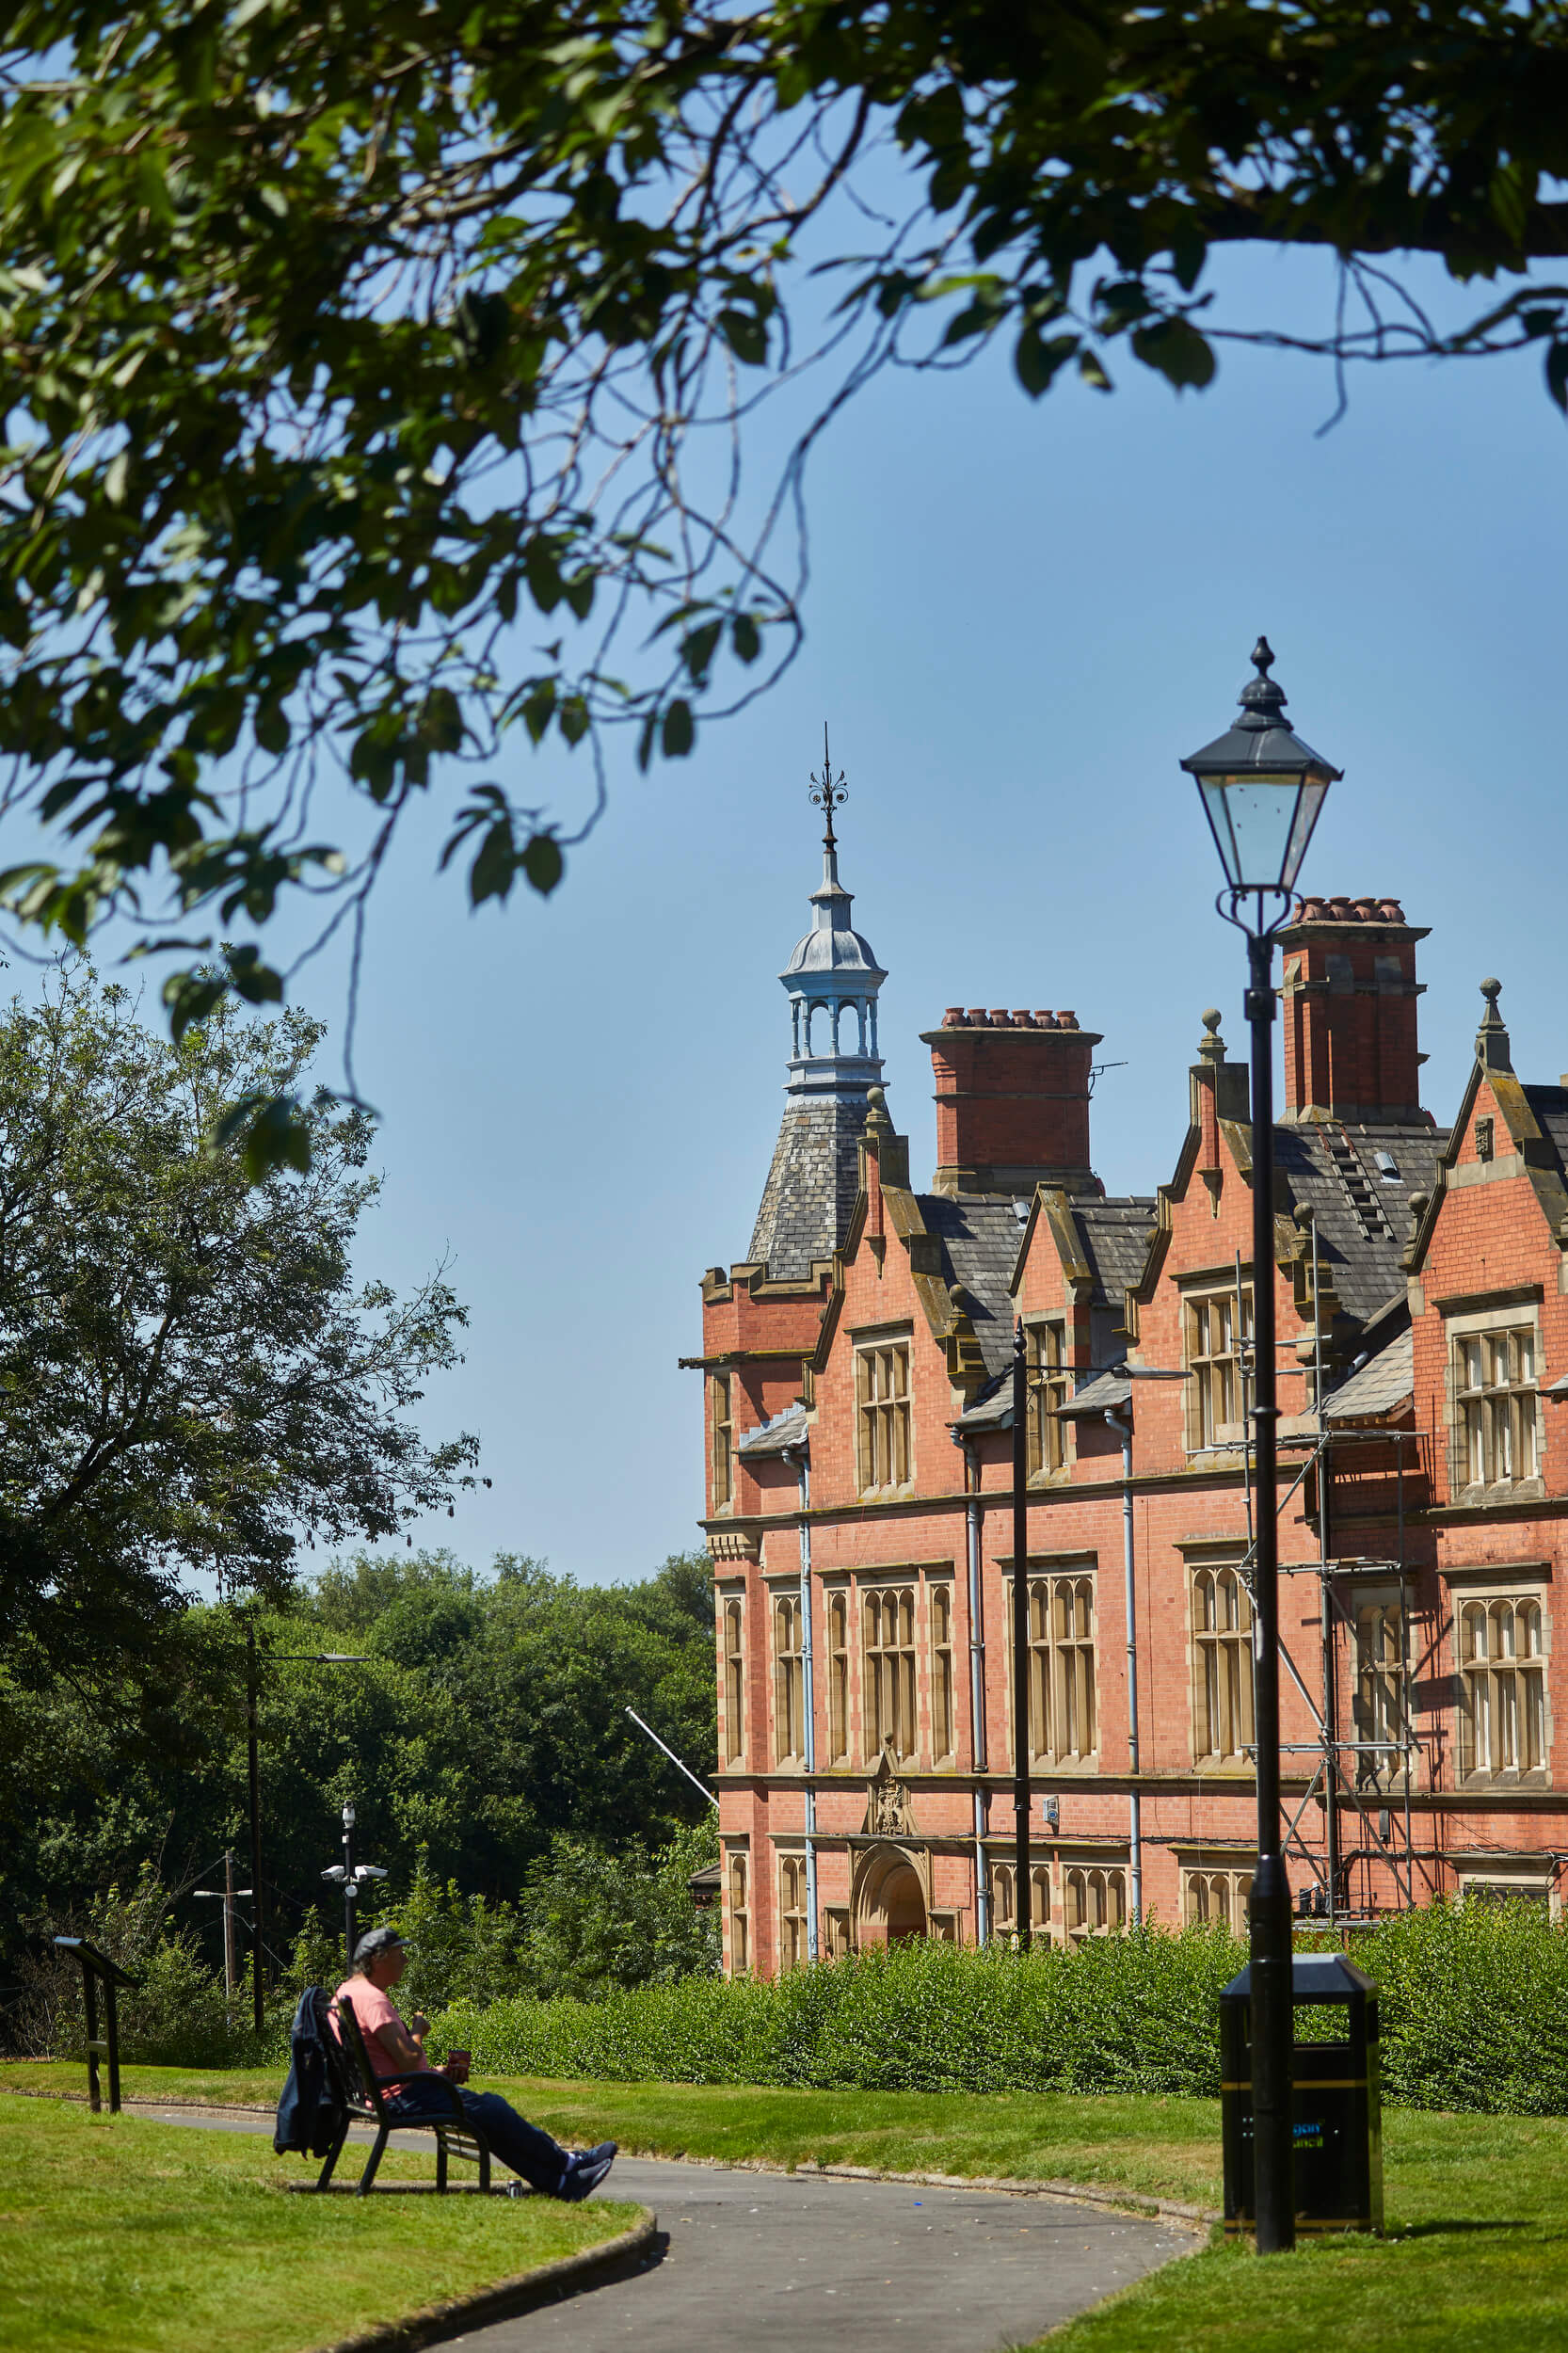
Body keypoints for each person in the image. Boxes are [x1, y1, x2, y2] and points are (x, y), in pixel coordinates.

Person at [332, 1926, 616, 2201]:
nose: (405, 1960)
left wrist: (436, 2073)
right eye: (399, 1954)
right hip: (401, 2096)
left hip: (390, 2092)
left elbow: (387, 2061)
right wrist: (418, 2030)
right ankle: (566, 2164)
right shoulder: (372, 1999)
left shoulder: (348, 1992)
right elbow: (407, 2061)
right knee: (493, 2108)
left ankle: (559, 2181)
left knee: (490, 2117)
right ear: (377, 1958)